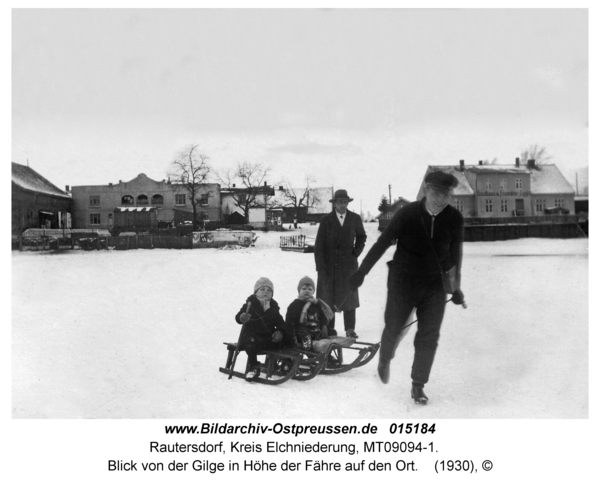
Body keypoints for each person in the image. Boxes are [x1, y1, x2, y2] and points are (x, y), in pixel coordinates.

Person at [349, 171, 466, 405]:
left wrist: (455, 288)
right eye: (437, 193)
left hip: (433, 284)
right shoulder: (407, 214)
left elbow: (455, 255)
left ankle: (418, 385)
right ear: (426, 190)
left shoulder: (454, 218)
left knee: (428, 336)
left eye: (447, 195)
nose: (441, 199)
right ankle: (385, 358)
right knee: (393, 325)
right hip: (403, 280)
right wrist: (362, 272)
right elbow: (382, 243)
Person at [314, 189, 367, 339]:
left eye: (345, 202)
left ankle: (350, 328)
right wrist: (320, 268)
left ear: (348, 203)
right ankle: (330, 329)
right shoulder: (326, 220)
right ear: (334, 203)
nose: (342, 205)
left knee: (349, 296)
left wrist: (355, 253)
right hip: (329, 265)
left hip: (348, 265)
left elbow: (362, 237)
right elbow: (319, 246)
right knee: (328, 298)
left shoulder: (355, 218)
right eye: (339, 202)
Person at [234, 277, 291, 381]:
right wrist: (242, 317)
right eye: (262, 289)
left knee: (286, 337)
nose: (266, 292)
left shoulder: (273, 307)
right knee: (250, 341)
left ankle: (285, 361)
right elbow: (238, 317)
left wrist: (280, 331)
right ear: (256, 292)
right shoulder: (250, 304)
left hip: (267, 338)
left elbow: (281, 323)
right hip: (252, 337)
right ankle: (253, 366)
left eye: (269, 290)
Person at [285, 276, 335, 351]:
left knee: (332, 332)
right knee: (305, 336)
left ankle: (328, 354)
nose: (307, 291)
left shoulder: (317, 304)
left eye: (310, 289)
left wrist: (324, 326)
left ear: (313, 291)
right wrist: (292, 334)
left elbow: (323, 316)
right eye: (304, 289)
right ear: (299, 290)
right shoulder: (295, 305)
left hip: (317, 330)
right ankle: (309, 351)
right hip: (302, 331)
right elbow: (290, 321)